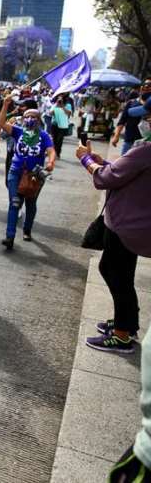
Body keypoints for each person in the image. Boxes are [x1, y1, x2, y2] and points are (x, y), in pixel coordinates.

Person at [77, 97, 151, 354]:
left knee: (114, 273)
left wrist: (86, 160)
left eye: (149, 118)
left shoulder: (145, 150)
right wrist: (103, 161)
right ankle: (126, 323)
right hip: (137, 226)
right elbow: (126, 175)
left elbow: (107, 178)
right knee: (120, 274)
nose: (144, 122)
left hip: (126, 226)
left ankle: (121, 335)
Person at [0, 98, 56, 250]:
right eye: (27, 116)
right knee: (15, 202)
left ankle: (27, 229)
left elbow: (51, 151)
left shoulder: (44, 136)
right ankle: (9, 237)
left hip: (34, 175)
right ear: (23, 119)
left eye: (33, 117)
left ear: (39, 120)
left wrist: (50, 162)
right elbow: (2, 122)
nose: (30, 119)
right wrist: (5, 105)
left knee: (30, 203)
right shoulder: (18, 131)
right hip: (15, 171)